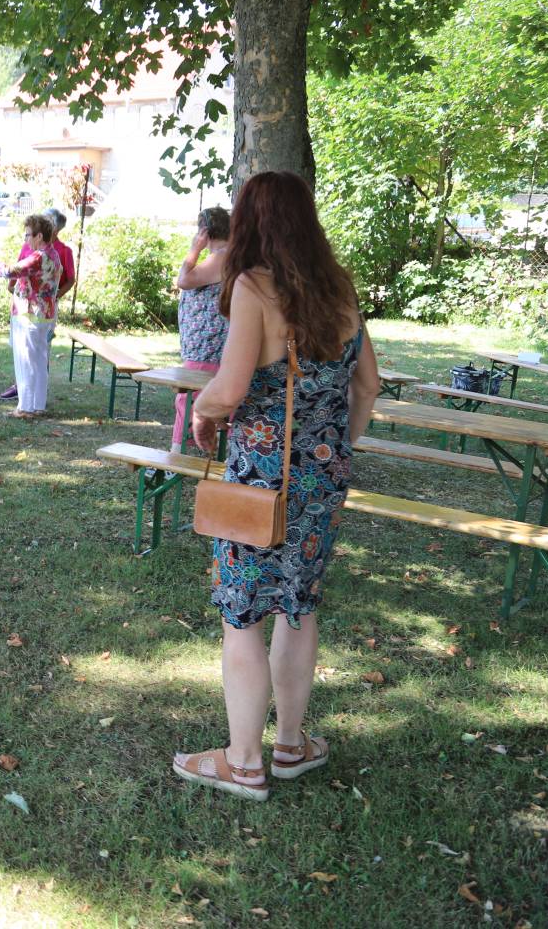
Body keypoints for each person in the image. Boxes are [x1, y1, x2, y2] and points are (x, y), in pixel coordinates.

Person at [178, 170, 379, 802]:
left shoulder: (251, 286)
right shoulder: (341, 290)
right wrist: (336, 445)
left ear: (252, 222)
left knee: (243, 617)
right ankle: (291, 746)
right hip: (322, 480)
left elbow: (232, 386)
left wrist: (206, 413)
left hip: (259, 483)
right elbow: (367, 386)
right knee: (300, 605)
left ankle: (243, 762)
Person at [173, 206, 232, 451]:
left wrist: (194, 249)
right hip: (208, 345)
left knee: (188, 399)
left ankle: (177, 456)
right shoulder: (228, 255)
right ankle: (203, 449)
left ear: (205, 231)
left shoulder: (220, 256)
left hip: (207, 347)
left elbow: (184, 280)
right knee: (197, 398)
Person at [2, 214, 62, 419]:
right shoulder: (53, 254)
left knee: (25, 360)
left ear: (39, 236)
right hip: (44, 314)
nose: (26, 239)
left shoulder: (39, 257)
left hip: (29, 314)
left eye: (28, 235)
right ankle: (38, 405)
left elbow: (10, 271)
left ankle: (25, 407)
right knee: (38, 361)